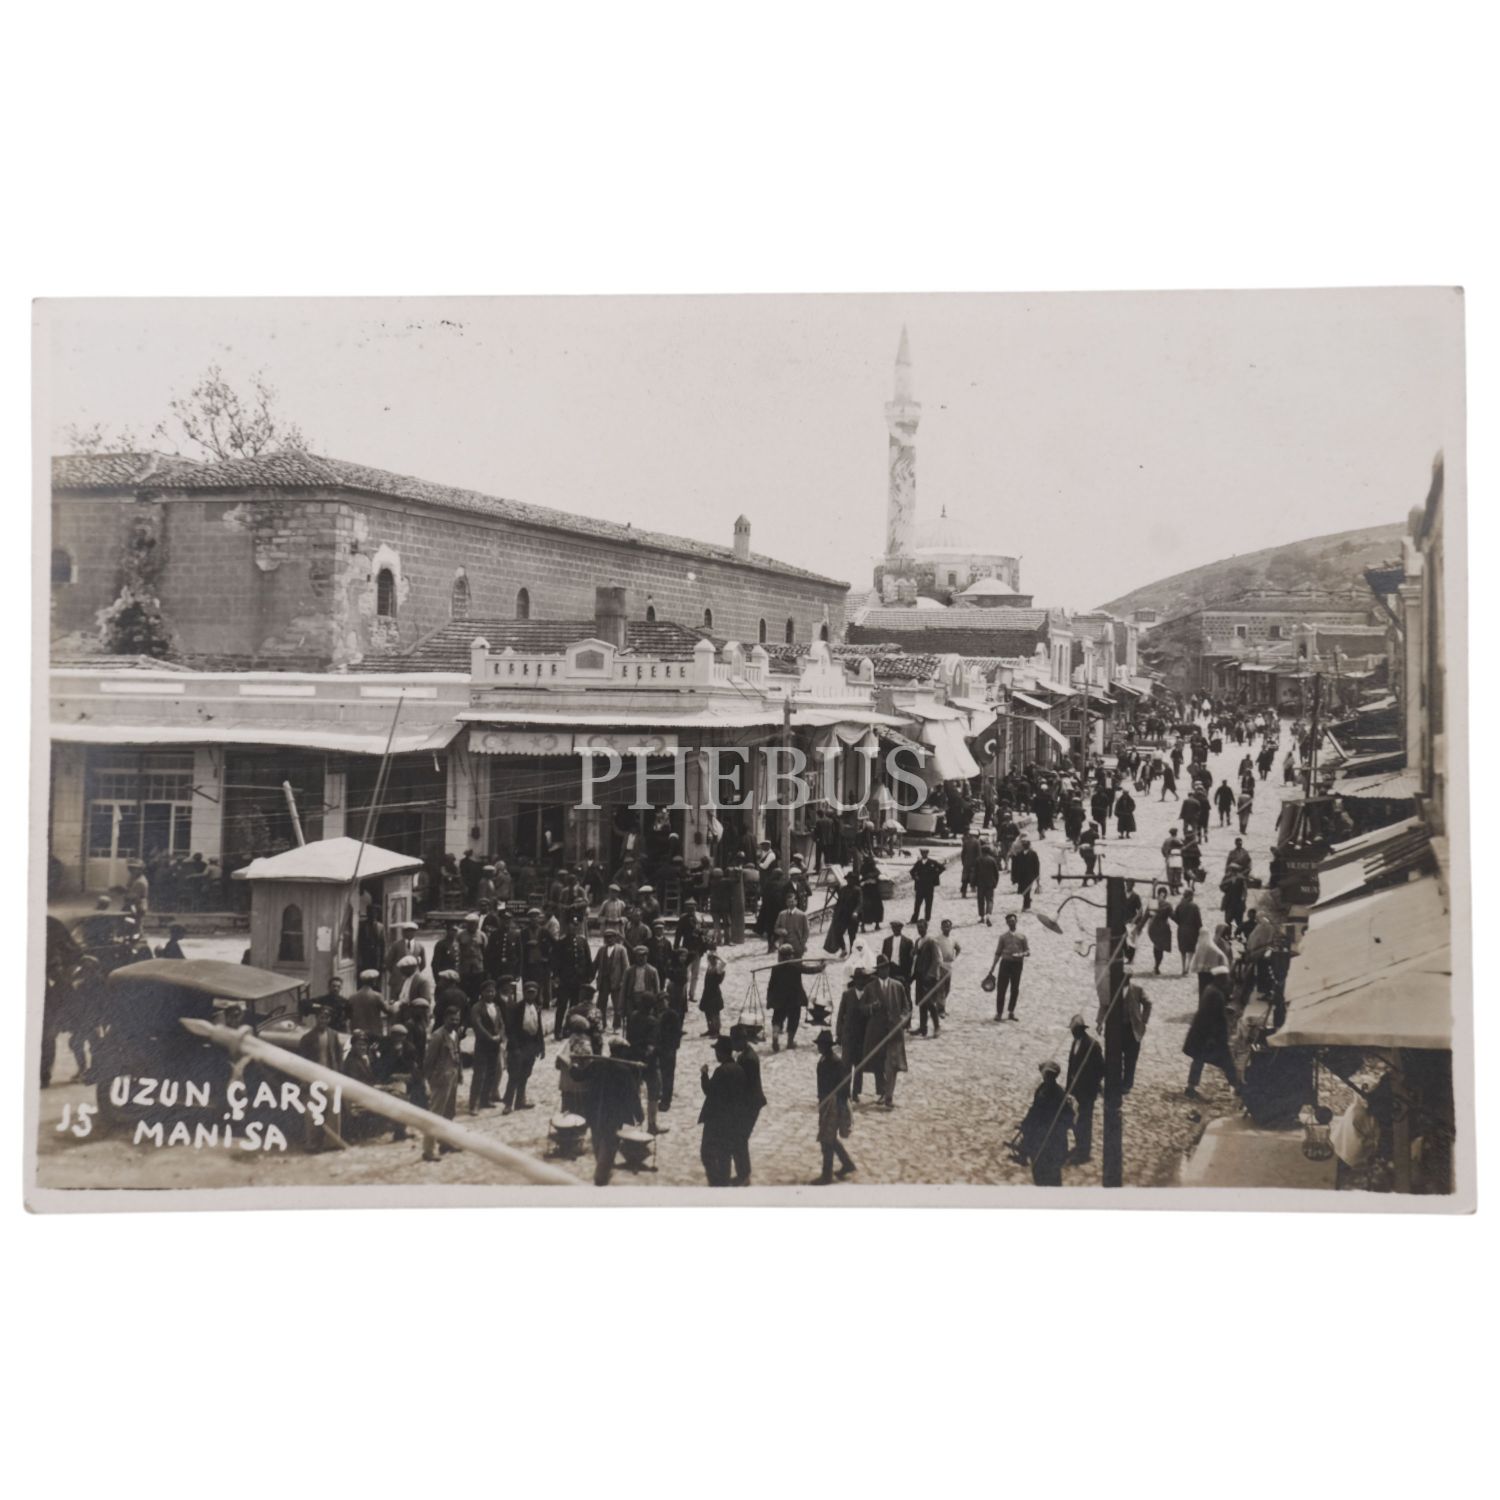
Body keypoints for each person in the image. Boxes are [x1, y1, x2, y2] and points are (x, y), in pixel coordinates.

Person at [297, 1005, 347, 1152]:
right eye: (320, 1017)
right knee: (312, 1110)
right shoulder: (307, 1038)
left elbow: (338, 1057)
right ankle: (312, 1143)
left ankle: (332, 1142)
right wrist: (304, 1080)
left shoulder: (333, 1035)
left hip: (330, 1076)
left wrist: (339, 1075)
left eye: (326, 1017)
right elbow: (302, 1062)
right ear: (316, 1018)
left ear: (329, 1019)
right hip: (313, 1078)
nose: (323, 1020)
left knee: (334, 1109)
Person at [698, 1037, 746, 1187]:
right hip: (732, 1119)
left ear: (721, 1052)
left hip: (716, 1119)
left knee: (707, 1152)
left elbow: (709, 1090)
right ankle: (724, 1181)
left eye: (717, 1051)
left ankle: (716, 1182)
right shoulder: (739, 1069)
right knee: (725, 1154)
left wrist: (704, 1074)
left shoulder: (721, 1071)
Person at [1017, 1060, 1073, 1186]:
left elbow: (1068, 1116)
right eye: (1046, 1074)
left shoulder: (1059, 1093)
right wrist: (1025, 1123)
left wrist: (1058, 1127)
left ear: (1055, 1076)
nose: (1048, 1077)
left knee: (1052, 1173)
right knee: (1038, 1170)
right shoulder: (1041, 1089)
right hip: (1038, 1138)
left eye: (1051, 1075)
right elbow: (1034, 1109)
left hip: (1052, 1140)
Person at [1183, 978, 1240, 1098]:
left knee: (1199, 1060)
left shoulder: (1210, 989)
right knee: (1227, 1062)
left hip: (1204, 1034)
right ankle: (1237, 1086)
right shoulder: (1217, 995)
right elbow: (1214, 1018)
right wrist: (1214, 1037)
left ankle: (1191, 1087)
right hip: (1212, 1036)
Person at [812, 1029, 856, 1184]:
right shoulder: (824, 1060)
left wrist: (836, 1101)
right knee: (828, 1137)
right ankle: (847, 1164)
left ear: (827, 1046)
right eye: (818, 1044)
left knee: (827, 1139)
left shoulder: (835, 1062)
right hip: (825, 1103)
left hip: (834, 1105)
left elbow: (844, 1086)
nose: (819, 1047)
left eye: (821, 1044)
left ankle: (827, 1175)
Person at [421, 1004, 463, 1160]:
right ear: (445, 1019)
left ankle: (445, 1143)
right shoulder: (438, 1036)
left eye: (457, 1019)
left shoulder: (455, 1034)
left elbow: (457, 1055)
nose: (455, 1022)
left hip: (452, 1078)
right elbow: (429, 1060)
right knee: (435, 1114)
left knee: (449, 1113)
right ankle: (428, 1150)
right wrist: (428, 1080)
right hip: (440, 1080)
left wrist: (459, 1074)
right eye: (452, 1019)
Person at [1065, 1014, 1105, 1164]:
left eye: (1074, 1030)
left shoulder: (1092, 1046)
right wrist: (1068, 1089)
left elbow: (1101, 1069)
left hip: (1087, 1091)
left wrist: (1090, 1083)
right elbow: (1071, 1066)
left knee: (1084, 1121)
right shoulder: (1075, 1042)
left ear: (1081, 1029)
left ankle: (1084, 1153)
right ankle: (1079, 1146)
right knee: (1075, 1120)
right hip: (1075, 1090)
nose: (1072, 1033)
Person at [501, 981, 545, 1113]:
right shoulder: (516, 1008)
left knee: (525, 1074)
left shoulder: (536, 1007)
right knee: (514, 1075)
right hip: (519, 1046)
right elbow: (511, 1030)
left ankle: (520, 1101)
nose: (531, 995)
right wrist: (515, 1048)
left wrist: (541, 1047)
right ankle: (508, 1104)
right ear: (524, 993)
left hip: (531, 1046)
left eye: (533, 992)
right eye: (528, 992)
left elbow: (539, 1028)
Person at [730, 1023, 766, 1183]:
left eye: (734, 1041)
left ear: (741, 1040)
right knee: (739, 1138)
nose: (732, 1044)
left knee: (739, 1138)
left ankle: (744, 1176)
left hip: (750, 1104)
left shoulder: (748, 1059)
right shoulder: (745, 1054)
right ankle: (743, 1174)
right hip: (748, 1103)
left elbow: (745, 1086)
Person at [767, 943, 811, 1052]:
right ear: (790, 955)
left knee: (777, 1019)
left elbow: (771, 985)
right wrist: (821, 967)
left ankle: (775, 1036)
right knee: (793, 1020)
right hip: (794, 999)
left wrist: (770, 999)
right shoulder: (796, 966)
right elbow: (809, 970)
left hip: (780, 999)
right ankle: (790, 1042)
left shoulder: (776, 968)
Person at [468, 980, 503, 1113]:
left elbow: (501, 1023)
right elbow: (478, 1025)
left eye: (492, 991)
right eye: (488, 991)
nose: (490, 994)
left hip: (495, 1045)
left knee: (491, 1073)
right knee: (479, 1074)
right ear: (482, 993)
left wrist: (500, 1035)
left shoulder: (496, 1007)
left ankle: (485, 1099)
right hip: (483, 1045)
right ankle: (474, 1103)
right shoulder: (477, 1007)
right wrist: (490, 1037)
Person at [987, 912, 1030, 1021]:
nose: (1011, 922)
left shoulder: (1022, 936)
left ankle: (1011, 1011)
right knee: (1001, 988)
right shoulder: (1003, 937)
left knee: (1015, 988)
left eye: (1013, 920)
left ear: (1016, 921)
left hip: (1017, 964)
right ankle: (999, 1013)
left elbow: (1028, 951)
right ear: (1006, 923)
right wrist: (993, 967)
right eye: (1009, 921)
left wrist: (1020, 954)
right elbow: (998, 953)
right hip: (1005, 964)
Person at [1173, 889, 1204, 977]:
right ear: (1191, 896)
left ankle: (1183, 968)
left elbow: (1175, 917)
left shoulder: (1179, 905)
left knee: (1182, 950)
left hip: (1182, 930)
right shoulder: (1195, 907)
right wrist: (1200, 929)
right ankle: (1188, 967)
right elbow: (1198, 921)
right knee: (1191, 949)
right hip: (1192, 931)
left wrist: (1180, 923)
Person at [909, 849, 942, 924]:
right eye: (922, 853)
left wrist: (934, 876)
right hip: (920, 886)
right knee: (917, 904)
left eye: (925, 853)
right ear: (921, 854)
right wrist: (915, 877)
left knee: (928, 903)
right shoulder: (919, 863)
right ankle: (914, 919)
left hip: (929, 886)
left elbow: (942, 868)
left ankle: (927, 919)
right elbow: (912, 872)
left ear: (927, 853)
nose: (924, 854)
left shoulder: (933, 862)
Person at [973, 840, 1000, 924]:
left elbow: (974, 873)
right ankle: (988, 915)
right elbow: (996, 873)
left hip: (980, 884)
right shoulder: (992, 860)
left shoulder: (978, 860)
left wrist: (973, 883)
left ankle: (981, 917)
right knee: (990, 900)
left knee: (980, 900)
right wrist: (995, 883)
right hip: (990, 884)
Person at [1010, 837, 1040, 910]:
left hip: (1030, 876)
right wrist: (1014, 876)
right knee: (1022, 890)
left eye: (1026, 844)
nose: (1025, 846)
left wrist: (1037, 875)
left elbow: (1036, 865)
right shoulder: (1019, 854)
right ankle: (1028, 900)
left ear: (1029, 845)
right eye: (1024, 845)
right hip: (1021, 876)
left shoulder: (1033, 854)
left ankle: (1026, 905)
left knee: (1027, 890)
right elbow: (1015, 866)